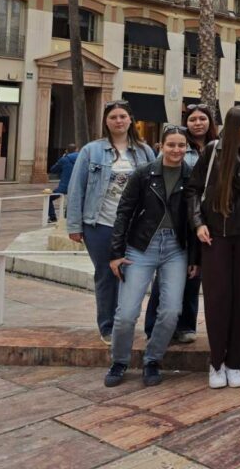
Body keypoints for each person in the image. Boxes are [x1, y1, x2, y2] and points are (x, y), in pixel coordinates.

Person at [103, 126, 195, 388]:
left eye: (181, 145)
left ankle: (153, 359)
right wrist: (116, 253)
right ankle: (119, 361)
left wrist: (194, 258)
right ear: (161, 146)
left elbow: (195, 218)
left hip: (176, 248)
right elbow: (124, 212)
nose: (176, 150)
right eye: (171, 145)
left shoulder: (191, 176)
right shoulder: (144, 174)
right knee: (126, 313)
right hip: (142, 246)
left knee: (171, 311)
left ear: (187, 147)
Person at [186, 106, 240, 388]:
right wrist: (198, 223)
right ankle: (216, 362)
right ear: (235, 130)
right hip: (215, 235)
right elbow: (193, 189)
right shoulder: (212, 150)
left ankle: (236, 362)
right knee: (217, 300)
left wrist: (231, 153)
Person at [68, 101, 156, 344]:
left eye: (123, 116)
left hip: (135, 225)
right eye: (113, 117)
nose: (118, 121)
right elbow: (77, 188)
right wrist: (74, 225)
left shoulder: (144, 151)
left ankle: (124, 322)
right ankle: (107, 326)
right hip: (100, 224)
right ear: (106, 122)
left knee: (131, 275)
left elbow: (154, 187)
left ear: (130, 120)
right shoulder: (91, 151)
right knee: (106, 275)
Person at [145, 104, 218, 344]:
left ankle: (186, 325)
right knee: (165, 276)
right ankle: (154, 325)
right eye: (193, 119)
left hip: (204, 218)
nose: (198, 123)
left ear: (210, 122)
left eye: (202, 119)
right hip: (176, 216)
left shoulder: (217, 147)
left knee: (194, 272)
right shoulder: (176, 145)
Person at [47, 144, 78, 223]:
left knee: (49, 199)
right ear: (76, 149)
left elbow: (53, 170)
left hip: (64, 186)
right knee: (71, 201)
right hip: (77, 186)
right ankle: (67, 218)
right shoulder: (82, 158)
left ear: (66, 151)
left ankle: (52, 218)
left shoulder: (64, 159)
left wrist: (62, 159)